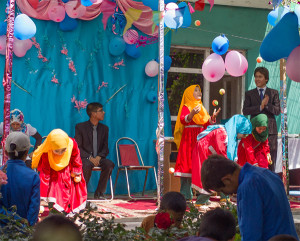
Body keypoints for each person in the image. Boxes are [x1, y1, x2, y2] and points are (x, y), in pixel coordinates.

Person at [201, 155, 298, 241]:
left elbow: (251, 234)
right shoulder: (266, 173)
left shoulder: (248, 186)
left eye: (222, 190)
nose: (227, 194)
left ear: (227, 180)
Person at [173, 85, 220, 201]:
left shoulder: (202, 107)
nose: (199, 92)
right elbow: (183, 119)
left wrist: (212, 118)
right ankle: (185, 196)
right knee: (187, 166)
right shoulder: (187, 106)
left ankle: (203, 197)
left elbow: (205, 124)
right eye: (196, 90)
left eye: (200, 90)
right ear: (189, 93)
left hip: (200, 139)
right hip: (189, 139)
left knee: (201, 167)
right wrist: (192, 114)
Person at [191, 115, 252, 204]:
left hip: (210, 153)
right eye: (244, 133)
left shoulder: (231, 136)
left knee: (221, 173)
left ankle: (224, 198)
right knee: (212, 176)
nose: (245, 136)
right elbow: (221, 153)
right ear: (238, 128)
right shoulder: (222, 133)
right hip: (204, 152)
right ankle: (201, 201)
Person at [32, 129, 87, 214]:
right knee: (55, 192)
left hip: (69, 171)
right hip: (54, 174)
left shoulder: (72, 144)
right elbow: (45, 174)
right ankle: (55, 210)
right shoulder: (46, 151)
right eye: (56, 151)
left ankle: (69, 210)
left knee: (72, 192)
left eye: (63, 150)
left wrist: (76, 172)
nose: (60, 153)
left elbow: (76, 158)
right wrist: (42, 194)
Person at [243, 67, 280, 171]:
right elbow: (245, 111)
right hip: (255, 133)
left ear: (266, 79)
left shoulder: (273, 93)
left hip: (270, 132)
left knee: (270, 160)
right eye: (256, 77)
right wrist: (260, 107)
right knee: (255, 161)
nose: (257, 79)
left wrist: (266, 105)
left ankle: (270, 184)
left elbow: (277, 111)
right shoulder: (249, 94)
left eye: (260, 77)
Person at [75, 102, 115, 200]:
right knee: (87, 165)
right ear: (93, 114)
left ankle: (99, 193)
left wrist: (99, 157)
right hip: (86, 158)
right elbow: (78, 146)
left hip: (99, 158)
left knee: (109, 164)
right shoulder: (80, 127)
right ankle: (82, 193)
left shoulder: (104, 129)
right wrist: (90, 157)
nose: (104, 112)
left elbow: (105, 148)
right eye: (101, 111)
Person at [0, 132, 40, 226]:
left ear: (5, 152)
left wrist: (12, 219)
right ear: (27, 152)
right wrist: (25, 225)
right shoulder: (33, 176)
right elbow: (34, 207)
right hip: (24, 230)